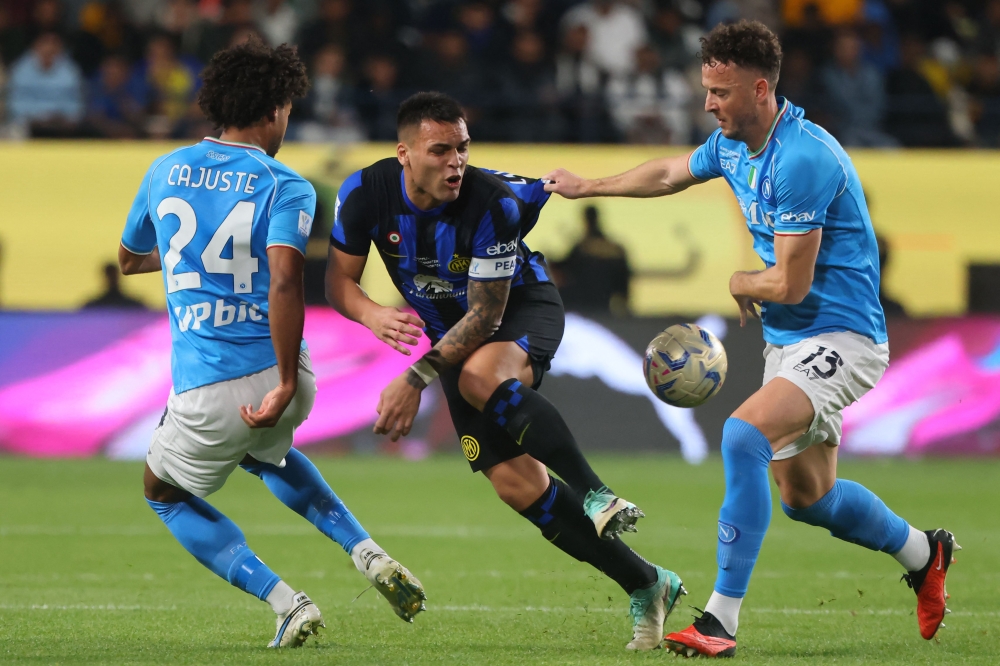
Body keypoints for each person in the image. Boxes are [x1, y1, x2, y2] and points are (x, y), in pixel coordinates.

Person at [542, 20, 957, 658]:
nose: (709, 104)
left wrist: (741, 278)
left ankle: (719, 621)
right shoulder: (733, 145)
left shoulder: (803, 158)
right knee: (808, 500)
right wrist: (587, 186)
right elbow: (668, 173)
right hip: (790, 343)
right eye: (707, 90)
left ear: (760, 89)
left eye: (721, 92)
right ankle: (924, 552)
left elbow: (789, 284)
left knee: (742, 435)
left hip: (842, 337)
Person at [324, 91, 685, 651]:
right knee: (519, 488)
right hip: (450, 337)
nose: (455, 163)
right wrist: (372, 314)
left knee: (478, 376)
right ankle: (647, 581)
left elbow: (487, 315)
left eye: (463, 149)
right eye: (440, 150)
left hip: (520, 307)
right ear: (404, 154)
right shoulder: (364, 194)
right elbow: (339, 282)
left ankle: (596, 494)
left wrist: (415, 377)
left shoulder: (492, 203)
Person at [117, 37, 425, 649]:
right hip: (284, 370)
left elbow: (128, 260)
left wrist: (186, 262)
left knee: (162, 492)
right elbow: (286, 277)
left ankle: (286, 601)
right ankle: (366, 552)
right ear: (273, 109)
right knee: (267, 451)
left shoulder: (164, 169)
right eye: (287, 109)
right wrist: (287, 381)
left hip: (208, 385)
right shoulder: (286, 184)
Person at [551, 205, 630, 316]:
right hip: (605, 305)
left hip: (583, 305)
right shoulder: (615, 249)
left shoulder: (582, 248)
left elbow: (567, 267)